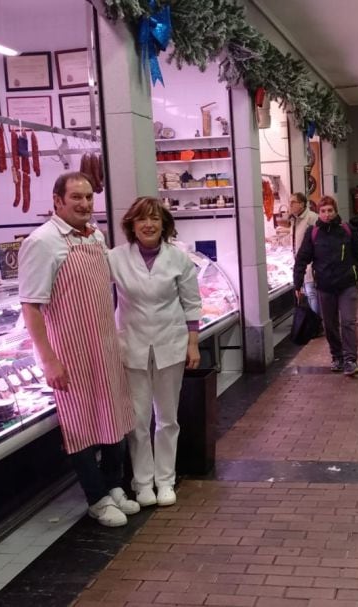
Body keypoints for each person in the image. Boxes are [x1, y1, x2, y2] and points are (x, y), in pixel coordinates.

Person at [18, 172, 140, 527]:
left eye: (89, 197)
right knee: (82, 425)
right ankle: (96, 498)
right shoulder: (42, 242)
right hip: (70, 350)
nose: (85, 204)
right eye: (76, 198)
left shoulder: (96, 235)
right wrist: (48, 360)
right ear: (57, 201)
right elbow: (31, 306)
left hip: (103, 342)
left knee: (113, 413)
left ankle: (114, 484)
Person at [108, 197, 202, 508]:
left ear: (164, 224)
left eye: (154, 219)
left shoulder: (179, 258)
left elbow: (191, 303)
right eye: (141, 220)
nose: (148, 224)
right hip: (131, 346)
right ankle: (142, 482)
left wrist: (192, 343)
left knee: (168, 418)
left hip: (170, 344)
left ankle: (165, 480)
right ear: (131, 226)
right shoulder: (116, 258)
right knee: (137, 419)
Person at [293, 196, 358, 377]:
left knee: (347, 321)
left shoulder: (346, 230)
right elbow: (302, 259)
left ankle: (350, 360)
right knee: (330, 325)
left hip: (347, 284)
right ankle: (337, 356)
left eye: (330, 210)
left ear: (336, 211)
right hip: (324, 286)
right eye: (323, 211)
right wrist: (297, 282)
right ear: (319, 213)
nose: (327, 215)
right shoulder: (313, 233)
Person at [288, 192, 321, 314]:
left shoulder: (312, 218)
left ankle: (316, 323)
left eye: (293, 202)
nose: (290, 205)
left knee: (311, 291)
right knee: (307, 292)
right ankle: (312, 321)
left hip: (310, 263)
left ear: (301, 204)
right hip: (300, 264)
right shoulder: (294, 219)